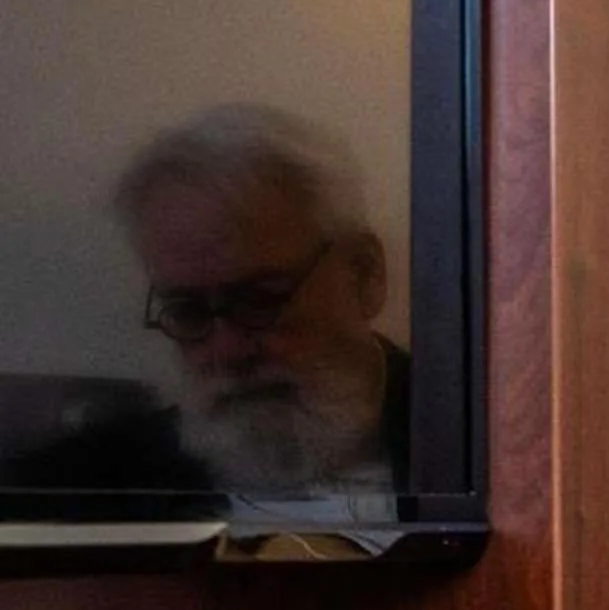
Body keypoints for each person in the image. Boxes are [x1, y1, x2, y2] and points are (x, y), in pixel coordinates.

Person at [4, 104, 409, 507]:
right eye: (188, 312)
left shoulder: (468, 440)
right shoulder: (67, 494)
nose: (226, 351)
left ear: (364, 275)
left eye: (259, 300)